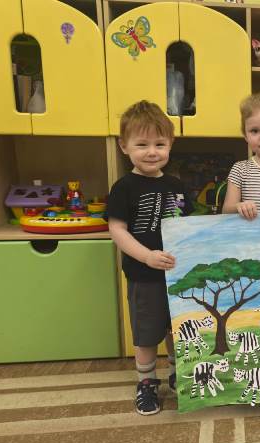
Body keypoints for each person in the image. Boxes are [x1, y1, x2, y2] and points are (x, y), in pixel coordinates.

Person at [107, 100, 194, 415]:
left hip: (178, 275)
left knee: (177, 328)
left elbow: (187, 225)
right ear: (124, 146)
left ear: (170, 144)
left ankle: (176, 373)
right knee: (146, 333)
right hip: (145, 276)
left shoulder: (177, 185)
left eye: (159, 144)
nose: (151, 152)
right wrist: (146, 257)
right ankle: (146, 383)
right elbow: (117, 230)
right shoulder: (123, 187)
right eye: (141, 144)